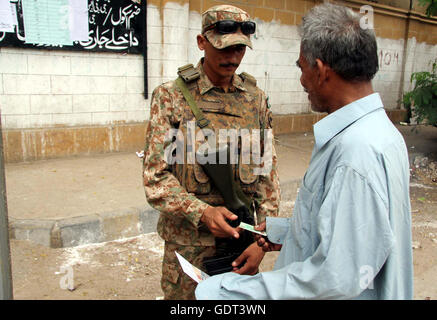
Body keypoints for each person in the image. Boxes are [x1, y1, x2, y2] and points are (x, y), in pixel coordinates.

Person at [195, 2, 413, 300]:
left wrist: (225, 290)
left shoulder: (356, 153)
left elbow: (335, 278)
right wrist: (290, 232)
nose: (302, 80)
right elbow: (361, 234)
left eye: (302, 67)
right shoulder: (380, 133)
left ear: (321, 70)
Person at [142, 5, 280, 300]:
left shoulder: (256, 100)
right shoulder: (171, 97)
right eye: (224, 48)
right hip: (188, 248)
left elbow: (266, 176)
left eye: (240, 49)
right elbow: (155, 178)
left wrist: (262, 241)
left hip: (242, 245)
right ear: (201, 42)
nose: (232, 58)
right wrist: (203, 213)